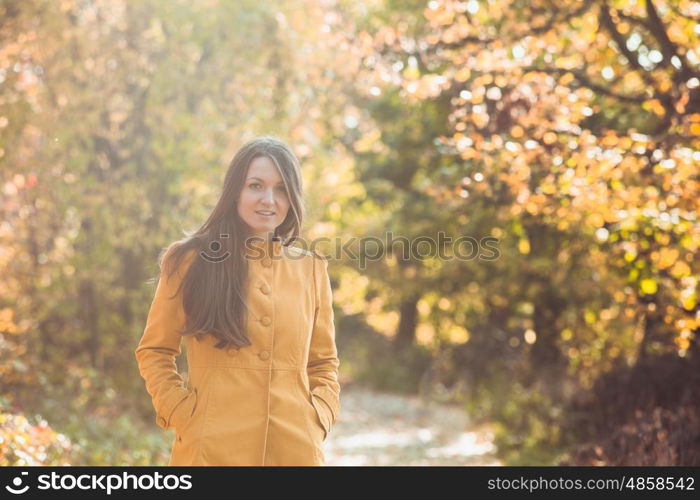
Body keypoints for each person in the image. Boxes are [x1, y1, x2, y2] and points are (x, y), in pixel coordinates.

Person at [134, 136, 340, 466]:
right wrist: (184, 414)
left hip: (295, 450)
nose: (268, 200)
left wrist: (319, 417)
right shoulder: (189, 260)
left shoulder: (311, 269)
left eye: (281, 188)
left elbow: (324, 364)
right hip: (210, 450)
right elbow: (155, 351)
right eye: (255, 186)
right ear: (235, 192)